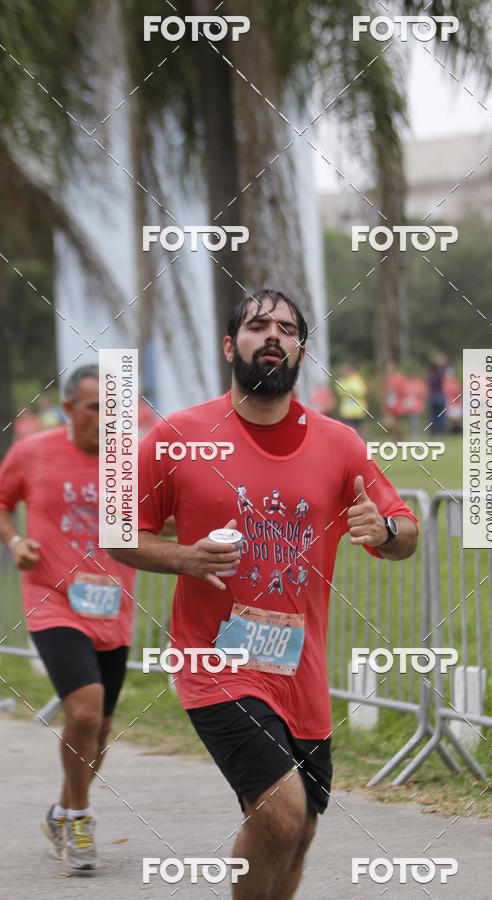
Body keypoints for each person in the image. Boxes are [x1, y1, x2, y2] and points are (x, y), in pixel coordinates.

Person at [109, 289, 419, 900]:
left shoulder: (340, 444)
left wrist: (384, 531)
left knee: (300, 828)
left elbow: (405, 531)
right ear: (231, 346)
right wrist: (184, 558)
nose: (273, 335)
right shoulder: (180, 435)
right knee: (279, 812)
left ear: (301, 350)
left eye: (287, 328)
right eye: (257, 325)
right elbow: (118, 532)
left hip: (301, 669)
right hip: (214, 662)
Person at [0, 365, 136, 871]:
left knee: (97, 729)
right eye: (96, 406)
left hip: (113, 605)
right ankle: (79, 817)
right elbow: (1, 500)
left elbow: (159, 517)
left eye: (115, 408)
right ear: (68, 409)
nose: (107, 418)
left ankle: (61, 810)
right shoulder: (33, 452)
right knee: (82, 711)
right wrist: (15, 542)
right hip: (51, 598)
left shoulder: (131, 462)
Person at [335, 364, 368, 433]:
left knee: (357, 431)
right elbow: (338, 389)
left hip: (357, 412)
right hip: (346, 412)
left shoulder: (357, 379)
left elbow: (361, 391)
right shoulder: (342, 380)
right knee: (347, 431)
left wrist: (349, 390)